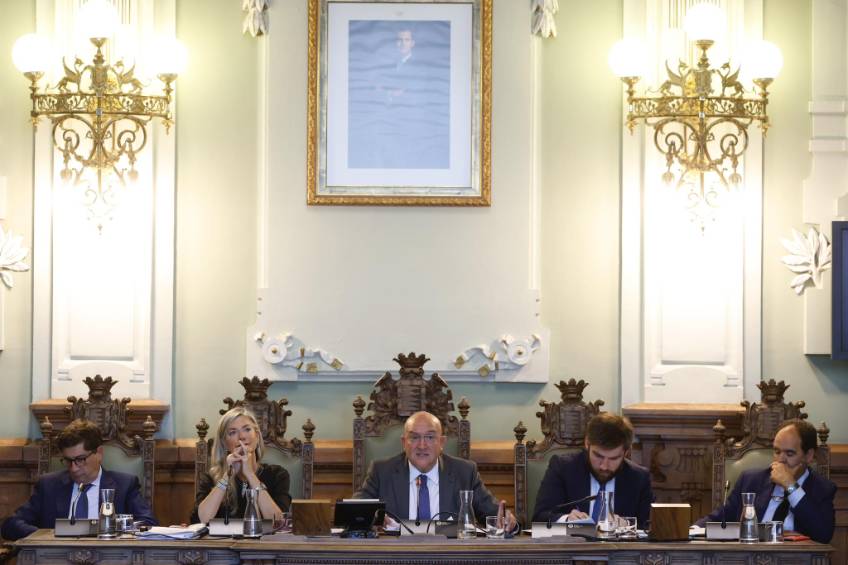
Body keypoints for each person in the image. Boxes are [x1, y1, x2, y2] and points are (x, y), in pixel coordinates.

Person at [353, 411, 517, 531]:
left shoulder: (465, 472)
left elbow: (496, 516)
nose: (422, 445)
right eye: (414, 437)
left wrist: (507, 522)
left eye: (430, 437)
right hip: (396, 556)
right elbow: (354, 512)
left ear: (442, 442)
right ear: (404, 442)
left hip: (450, 556)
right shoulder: (381, 472)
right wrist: (375, 518)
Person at [1, 419, 157, 540]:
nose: (74, 468)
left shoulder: (125, 485)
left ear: (99, 453)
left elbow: (148, 524)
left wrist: (110, 529)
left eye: (80, 459)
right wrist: (47, 536)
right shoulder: (48, 485)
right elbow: (11, 525)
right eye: (68, 460)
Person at [697, 419, 836, 543]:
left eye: (789, 453)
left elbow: (823, 534)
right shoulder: (750, 481)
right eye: (777, 451)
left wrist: (790, 486)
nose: (780, 460)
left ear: (809, 455)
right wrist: (692, 530)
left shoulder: (822, 488)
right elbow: (719, 519)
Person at [532, 413, 653, 527]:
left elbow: (649, 525)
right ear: (587, 443)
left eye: (614, 458)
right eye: (598, 456)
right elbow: (540, 517)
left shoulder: (639, 478)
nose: (604, 466)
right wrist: (567, 519)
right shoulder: (563, 467)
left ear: (626, 452)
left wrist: (627, 524)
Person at [191, 406, 291, 524]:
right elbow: (201, 520)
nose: (242, 437)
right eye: (233, 432)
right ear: (224, 443)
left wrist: (250, 475)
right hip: (222, 537)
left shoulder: (277, 474)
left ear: (257, 436)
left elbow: (278, 522)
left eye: (247, 429)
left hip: (262, 536)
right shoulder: (210, 477)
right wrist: (227, 476)